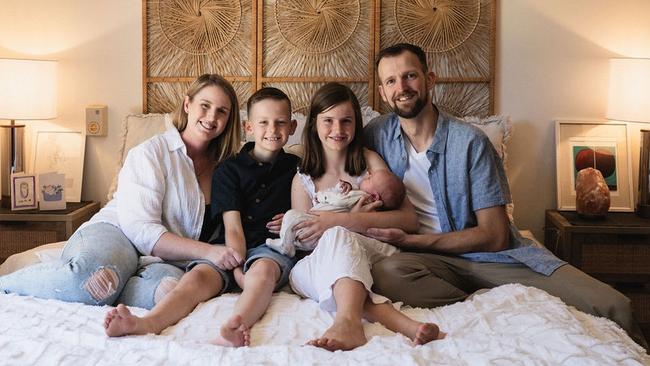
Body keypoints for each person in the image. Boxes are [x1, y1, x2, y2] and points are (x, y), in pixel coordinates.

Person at [363, 43, 647, 348]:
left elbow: (495, 235)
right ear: (381, 92)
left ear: (430, 79)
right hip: (426, 264)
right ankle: (490, 301)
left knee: (614, 305)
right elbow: (327, 147)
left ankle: (501, 292)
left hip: (490, 257)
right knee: (385, 272)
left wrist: (411, 241)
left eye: (409, 76)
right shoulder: (376, 135)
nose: (401, 88)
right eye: (391, 81)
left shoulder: (470, 142)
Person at [1, 73, 244, 332]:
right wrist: (207, 252)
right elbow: (141, 230)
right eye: (204, 106)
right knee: (91, 282)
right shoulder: (151, 153)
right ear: (187, 105)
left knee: (169, 292)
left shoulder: (229, 167)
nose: (211, 117)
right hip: (119, 233)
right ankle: (6, 283)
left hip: (170, 260)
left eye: (222, 111)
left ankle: (115, 283)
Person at [288, 82, 443, 352]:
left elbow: (409, 220)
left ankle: (347, 322)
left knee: (338, 235)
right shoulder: (303, 180)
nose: (338, 130)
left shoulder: (369, 162)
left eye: (346, 121)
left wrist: (342, 222)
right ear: (313, 124)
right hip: (323, 261)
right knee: (298, 275)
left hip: (374, 252)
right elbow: (305, 243)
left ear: (356, 124)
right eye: (328, 121)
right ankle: (405, 325)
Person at [207, 87, 300, 347]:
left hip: (272, 248)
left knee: (264, 271)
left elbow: (310, 212)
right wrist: (237, 271)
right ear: (249, 127)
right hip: (230, 247)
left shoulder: (298, 167)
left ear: (292, 126)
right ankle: (149, 322)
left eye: (281, 122)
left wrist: (293, 218)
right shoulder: (229, 169)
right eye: (263, 122)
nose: (273, 129)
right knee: (196, 277)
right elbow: (232, 228)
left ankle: (235, 325)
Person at [266, 170, 406, 257]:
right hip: (317, 234)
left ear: (375, 196)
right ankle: (289, 241)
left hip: (316, 233)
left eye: (370, 179)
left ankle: (286, 245)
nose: (368, 174)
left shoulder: (361, 196)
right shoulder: (367, 200)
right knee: (293, 220)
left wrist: (320, 197)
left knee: (290, 215)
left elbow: (339, 200)